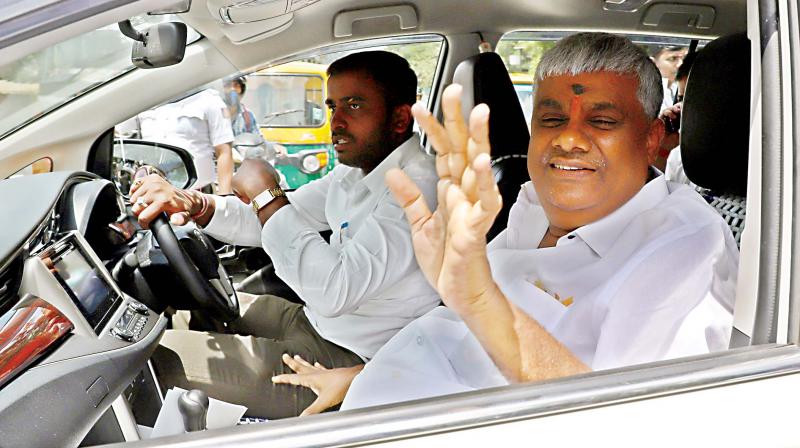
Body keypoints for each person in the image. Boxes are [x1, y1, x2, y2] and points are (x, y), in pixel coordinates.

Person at [273, 32, 738, 413]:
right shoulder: (533, 203)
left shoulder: (684, 248)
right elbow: (466, 342)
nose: (570, 139)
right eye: (552, 119)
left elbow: (620, 420)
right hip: (365, 399)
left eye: (602, 121)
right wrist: (360, 380)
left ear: (652, 136)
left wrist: (478, 298)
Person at [129, 51, 440, 418]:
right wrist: (194, 203)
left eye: (353, 105)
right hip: (317, 323)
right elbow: (266, 220)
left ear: (400, 117)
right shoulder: (357, 172)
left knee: (148, 362)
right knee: (185, 311)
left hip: (350, 358)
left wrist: (266, 192)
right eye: (331, 107)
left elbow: (333, 290)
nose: (335, 122)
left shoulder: (418, 187)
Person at [138, 89, 235, 193]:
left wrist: (225, 197)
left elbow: (224, 152)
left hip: (198, 197)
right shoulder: (144, 101)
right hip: (154, 194)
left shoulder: (209, 99)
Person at [659, 52, 701, 188]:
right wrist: (663, 147)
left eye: (692, 101)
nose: (682, 108)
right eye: (681, 99)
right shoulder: (679, 156)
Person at [650, 45, 688, 112]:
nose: (680, 63)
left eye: (684, 58)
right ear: (653, 63)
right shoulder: (648, 95)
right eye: (672, 59)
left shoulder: (683, 87)